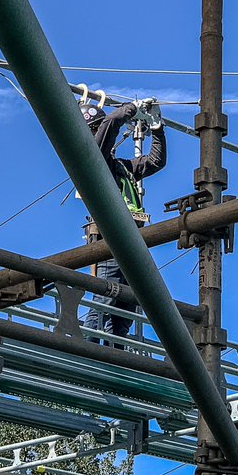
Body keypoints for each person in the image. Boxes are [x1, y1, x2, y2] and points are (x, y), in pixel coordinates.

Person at [81, 97, 164, 345]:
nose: (100, 134)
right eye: (95, 130)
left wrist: (158, 128)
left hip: (132, 237)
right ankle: (90, 352)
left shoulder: (120, 166)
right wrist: (131, 109)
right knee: (106, 297)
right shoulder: (91, 161)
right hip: (110, 238)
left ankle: (116, 353)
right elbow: (110, 124)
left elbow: (155, 161)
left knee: (127, 301)